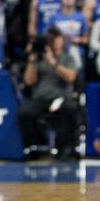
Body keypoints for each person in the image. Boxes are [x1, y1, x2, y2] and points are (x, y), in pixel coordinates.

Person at [19, 27, 80, 159]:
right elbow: (29, 81)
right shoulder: (39, 58)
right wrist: (32, 59)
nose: (54, 42)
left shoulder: (67, 58)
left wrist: (53, 62)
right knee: (25, 112)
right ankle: (36, 147)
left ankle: (64, 149)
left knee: (69, 108)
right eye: (51, 40)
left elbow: (71, 78)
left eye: (56, 39)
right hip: (41, 98)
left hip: (60, 97)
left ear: (62, 40)